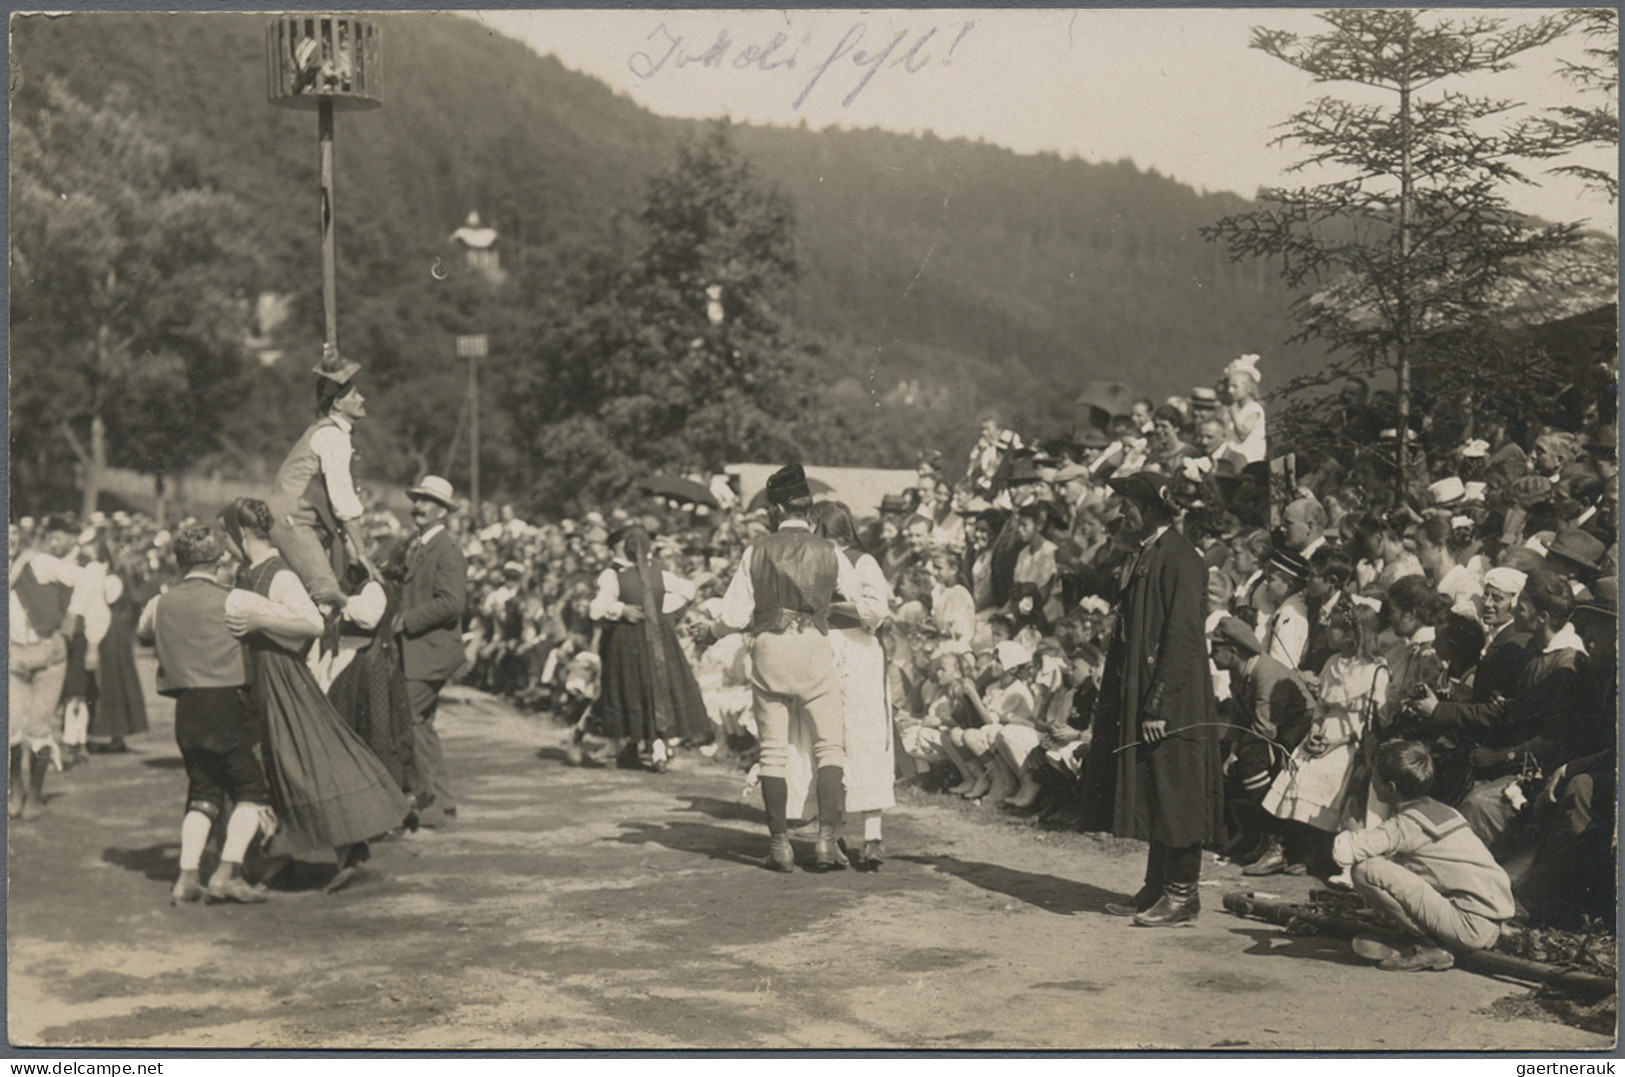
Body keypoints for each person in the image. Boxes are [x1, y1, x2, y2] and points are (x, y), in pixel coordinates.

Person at [221, 498, 412, 893]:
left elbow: (310, 623)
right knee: (274, 765)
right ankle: (281, 855)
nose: (225, 543)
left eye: (227, 535)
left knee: (306, 761)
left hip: (285, 679)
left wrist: (259, 619)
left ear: (241, 534)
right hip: (262, 680)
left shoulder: (279, 575)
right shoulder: (248, 572)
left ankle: (350, 850)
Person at [696, 464, 864, 872]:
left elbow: (734, 615)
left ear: (776, 511)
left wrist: (709, 632)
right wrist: (820, 608)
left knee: (772, 751)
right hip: (812, 644)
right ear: (809, 512)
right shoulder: (830, 552)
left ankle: (780, 846)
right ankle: (825, 842)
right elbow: (858, 602)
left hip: (770, 646)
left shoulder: (757, 550)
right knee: (829, 747)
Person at [1084, 472, 1224, 927]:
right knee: (1157, 788)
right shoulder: (1150, 551)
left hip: (1174, 699)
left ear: (1153, 507)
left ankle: (1183, 895)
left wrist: (1159, 705)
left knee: (1177, 789)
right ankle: (1156, 887)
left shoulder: (1181, 558)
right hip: (1147, 693)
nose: (1122, 511)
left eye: (1128, 503)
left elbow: (1182, 637)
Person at [136, 523, 291, 904]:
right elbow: (295, 622)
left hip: (188, 708)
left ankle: (187, 877)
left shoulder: (160, 603)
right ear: (220, 558)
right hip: (229, 703)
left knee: (203, 792)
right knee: (252, 792)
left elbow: (143, 633)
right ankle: (226, 874)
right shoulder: (235, 600)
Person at [1336, 741, 1514, 973]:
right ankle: (1431, 937)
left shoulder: (1405, 825)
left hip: (1468, 927)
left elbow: (1344, 854)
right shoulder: (1445, 811)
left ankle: (1428, 945)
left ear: (1389, 788)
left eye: (1375, 778)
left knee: (1365, 869)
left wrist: (1352, 830)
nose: (1372, 782)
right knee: (1395, 862)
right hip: (1490, 922)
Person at [267, 346, 382, 610]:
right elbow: (343, 503)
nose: (362, 398)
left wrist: (355, 550)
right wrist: (362, 553)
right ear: (339, 403)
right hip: (292, 520)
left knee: (341, 576)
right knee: (328, 591)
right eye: (355, 394)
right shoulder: (332, 436)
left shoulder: (333, 433)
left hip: (302, 518)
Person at [811, 501, 894, 871]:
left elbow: (877, 610)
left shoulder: (863, 561)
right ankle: (835, 831)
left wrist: (836, 606)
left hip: (858, 651)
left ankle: (873, 835)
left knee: (866, 737)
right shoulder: (815, 560)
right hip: (826, 648)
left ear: (830, 531)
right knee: (831, 740)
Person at [588, 525, 709, 770]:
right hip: (649, 639)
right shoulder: (655, 573)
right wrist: (649, 609)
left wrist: (636, 608)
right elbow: (690, 590)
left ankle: (651, 747)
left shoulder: (620, 576)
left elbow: (595, 610)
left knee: (636, 689)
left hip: (631, 640)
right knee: (654, 687)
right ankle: (653, 749)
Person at [394, 476, 469, 828]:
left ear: (442, 511)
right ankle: (440, 803)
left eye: (426, 502)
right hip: (420, 652)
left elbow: (452, 604)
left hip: (432, 652)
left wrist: (405, 621)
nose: (417, 507)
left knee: (406, 720)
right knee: (421, 726)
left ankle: (427, 799)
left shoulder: (447, 550)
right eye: (416, 500)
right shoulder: (418, 544)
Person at [9, 515, 92, 820]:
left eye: (14, 532)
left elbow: (85, 578)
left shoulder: (40, 563)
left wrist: (73, 615)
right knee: (11, 727)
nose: (11, 539)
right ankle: (15, 790)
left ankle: (36, 795)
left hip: (48, 653)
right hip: (12, 656)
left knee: (39, 726)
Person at [88, 540, 149, 754]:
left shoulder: (112, 578)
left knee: (113, 680)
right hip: (118, 632)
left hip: (111, 632)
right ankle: (116, 734)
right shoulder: (117, 577)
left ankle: (116, 734)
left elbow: (131, 598)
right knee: (118, 680)